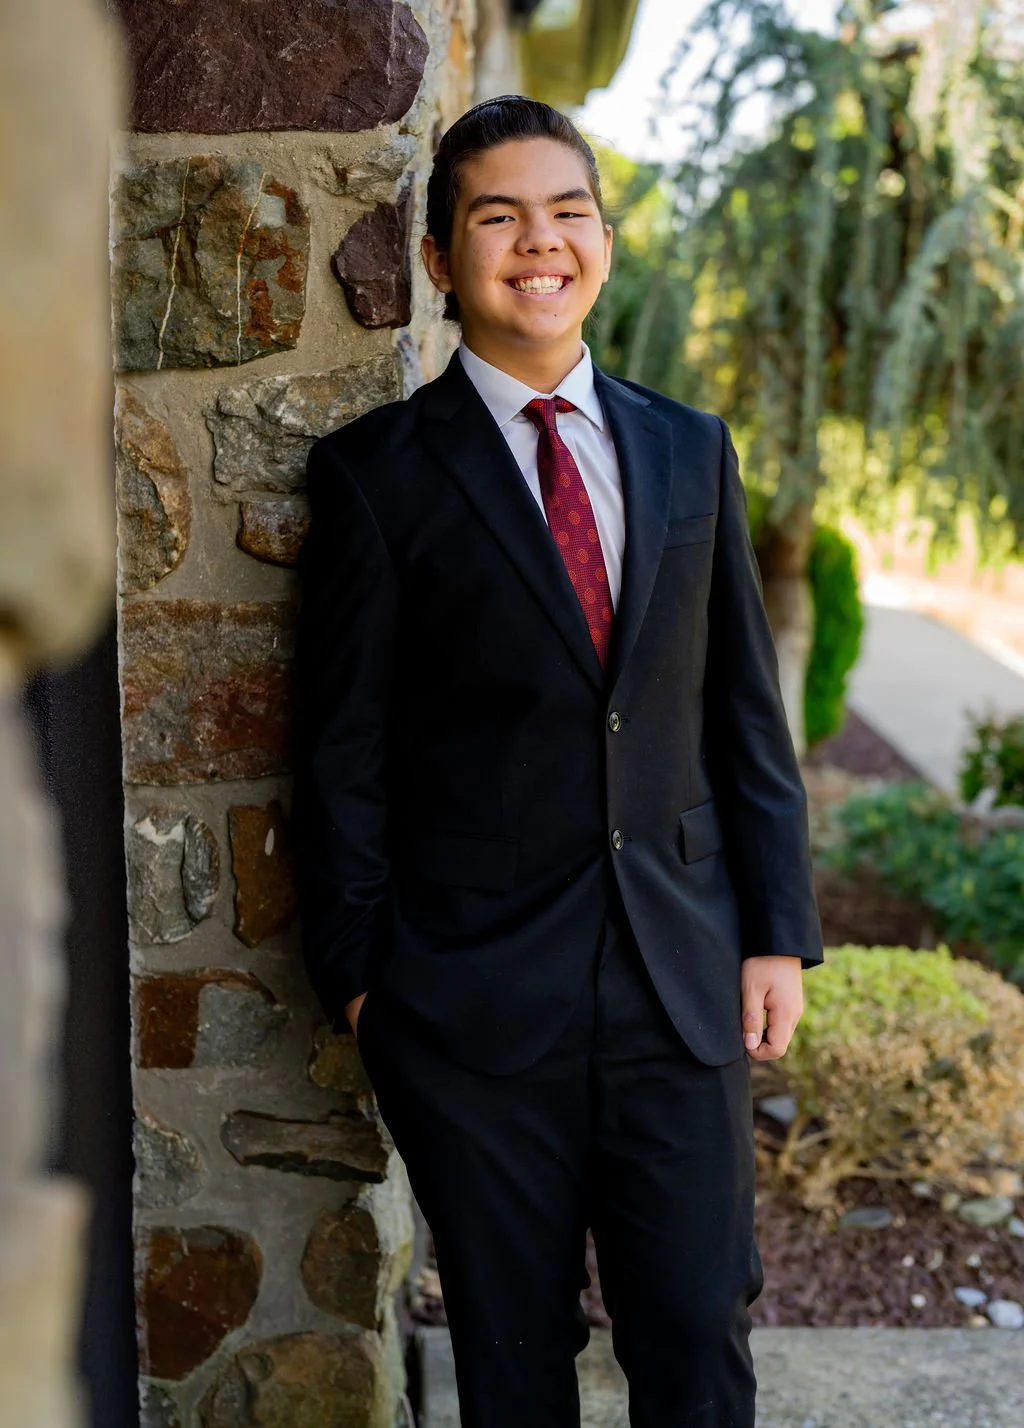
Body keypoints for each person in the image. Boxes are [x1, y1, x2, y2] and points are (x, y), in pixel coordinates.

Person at [293, 95, 823, 1428]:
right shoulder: (378, 477)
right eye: (499, 217)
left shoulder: (689, 449)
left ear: (605, 239)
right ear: (439, 260)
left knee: (701, 1333)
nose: (542, 242)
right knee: (514, 1361)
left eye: (569, 211)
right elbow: (340, 749)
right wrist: (365, 981)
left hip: (681, 982)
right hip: (470, 1006)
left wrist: (776, 933)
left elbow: (744, 717)